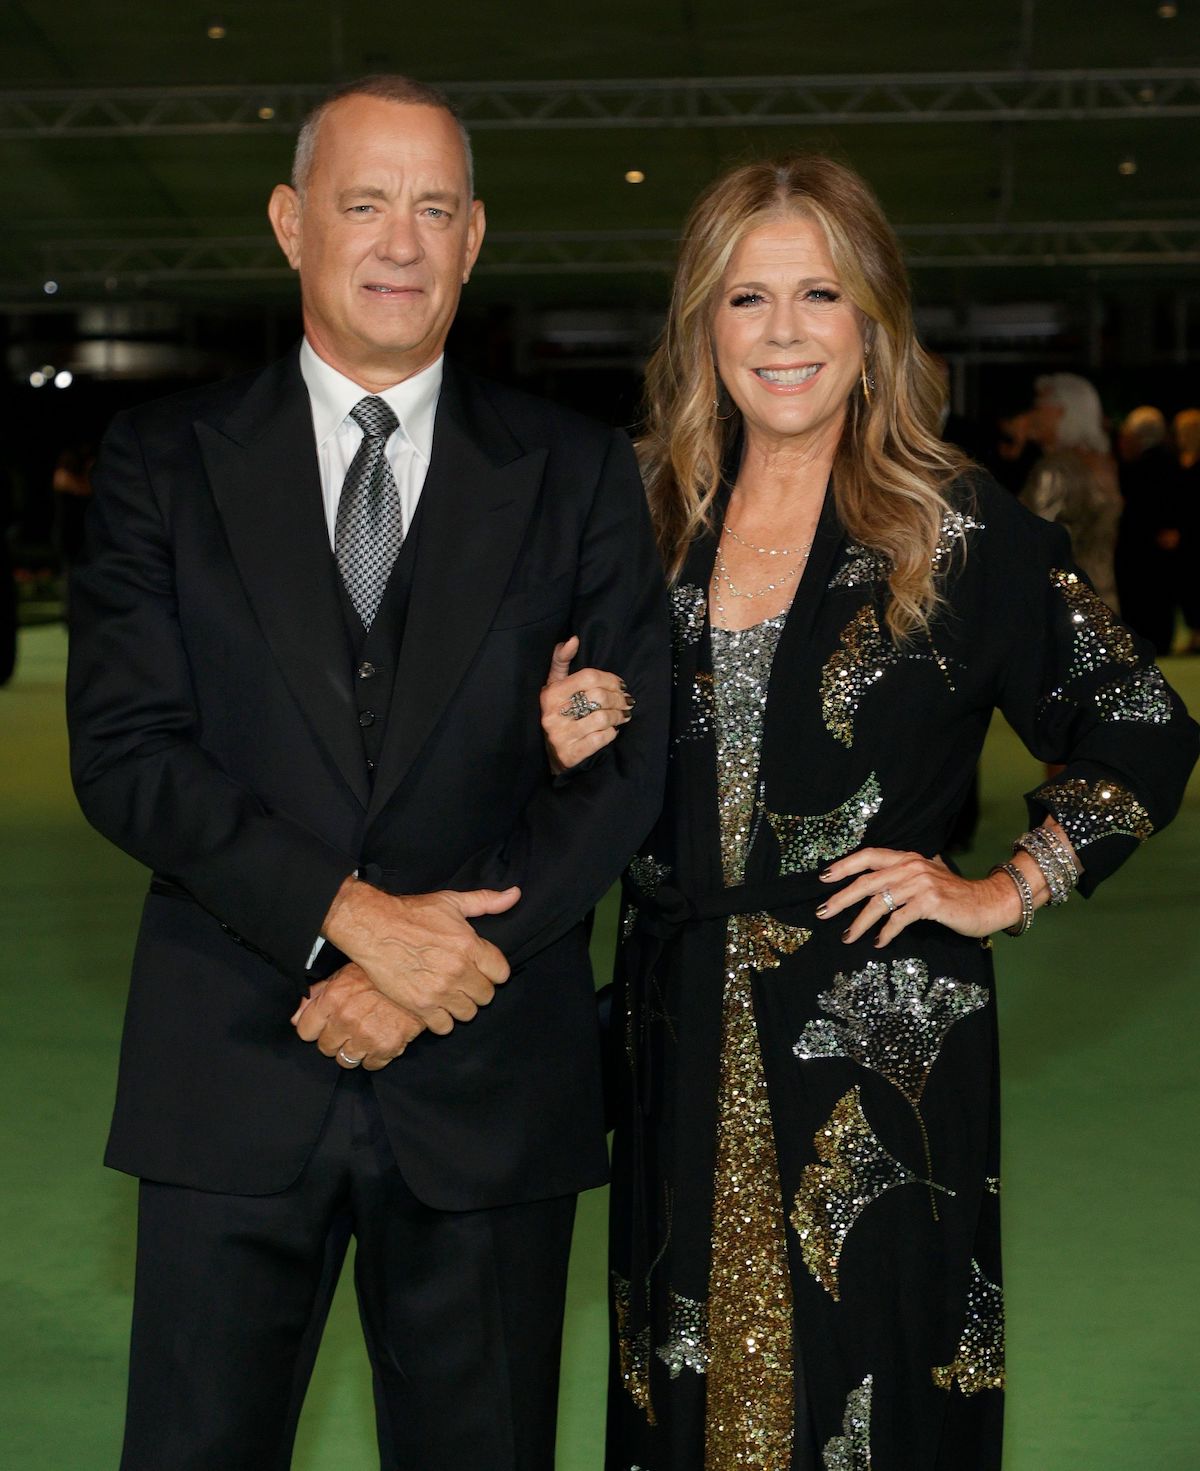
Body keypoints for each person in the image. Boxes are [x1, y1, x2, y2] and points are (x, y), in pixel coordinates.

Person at [541, 155, 1198, 1471]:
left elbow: (1141, 718)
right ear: (700, 326)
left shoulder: (955, 529)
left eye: (819, 294)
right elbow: (586, 759)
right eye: (747, 298)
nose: (783, 330)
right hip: (678, 1035)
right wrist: (561, 739)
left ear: (873, 326)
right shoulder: (642, 520)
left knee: (878, 1403)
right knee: (683, 1398)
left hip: (883, 1055)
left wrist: (1005, 884)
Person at [67, 75, 669, 1471]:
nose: (399, 240)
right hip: (227, 1075)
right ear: (291, 224)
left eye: (434, 208)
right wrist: (354, 917)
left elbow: (627, 767)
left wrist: (443, 962)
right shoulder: (165, 463)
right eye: (363, 202)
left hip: (487, 1085)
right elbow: (126, 750)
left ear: (474, 241)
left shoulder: (579, 474)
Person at [1020, 372, 1122, 610]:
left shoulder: (1056, 469)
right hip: (1104, 598)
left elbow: (1033, 535)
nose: (1034, 414)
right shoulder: (1104, 463)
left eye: (1040, 406)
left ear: (1063, 411)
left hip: (1062, 604)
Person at [1115, 405, 1183, 652]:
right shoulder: (1170, 460)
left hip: (1141, 546)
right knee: (1161, 598)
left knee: (1144, 599)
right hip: (1159, 546)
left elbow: (1138, 508)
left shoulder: (1141, 466)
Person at [1173, 407, 1200, 653]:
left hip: (1194, 529)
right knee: (1187, 584)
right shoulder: (1178, 459)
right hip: (1184, 533)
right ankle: (1193, 632)